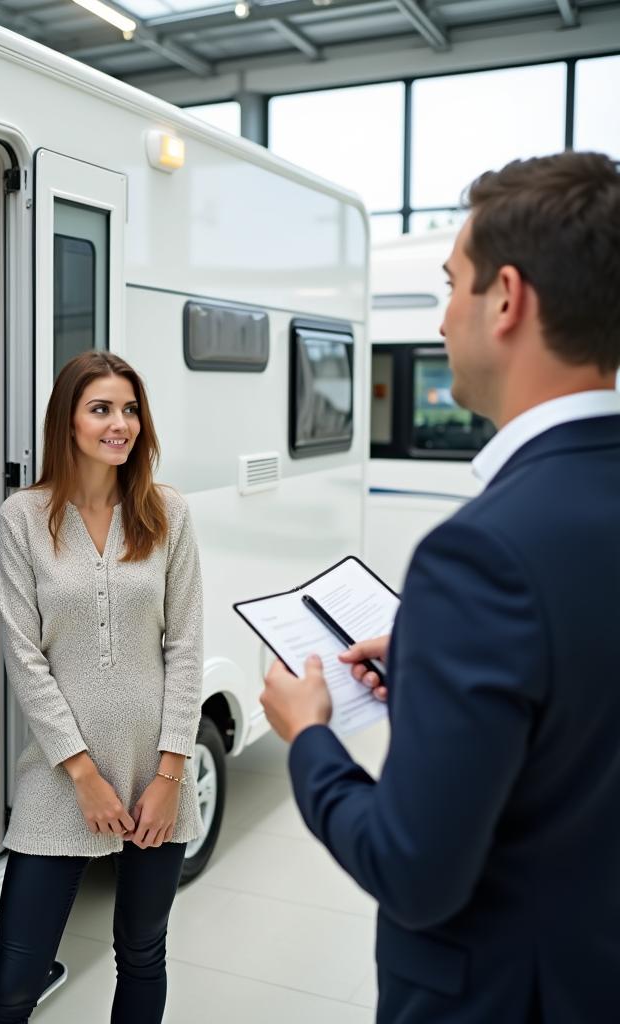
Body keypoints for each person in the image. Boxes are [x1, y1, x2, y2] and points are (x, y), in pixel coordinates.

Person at [260, 150, 620, 1023]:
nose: (443, 314)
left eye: (450, 283)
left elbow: (413, 870)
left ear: (507, 298)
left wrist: (309, 739)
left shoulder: (484, 553)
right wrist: (432, 660)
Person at [0, 351, 203, 1024]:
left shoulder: (169, 514)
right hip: (60, 775)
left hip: (156, 770)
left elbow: (185, 646)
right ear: (66, 421)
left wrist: (169, 773)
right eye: (101, 408)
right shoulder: (23, 516)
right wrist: (81, 772)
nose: (120, 424)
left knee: (141, 953)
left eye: (130, 410)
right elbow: (23, 655)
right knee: (15, 976)